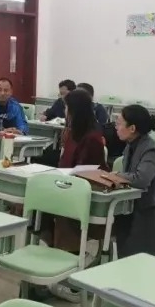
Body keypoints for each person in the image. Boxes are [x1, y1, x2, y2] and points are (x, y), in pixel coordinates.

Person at [42, 89, 107, 253]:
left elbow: (85, 171)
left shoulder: (92, 137)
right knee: (28, 200)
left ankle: (68, 251)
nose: (65, 111)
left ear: (74, 110)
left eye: (67, 107)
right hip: (67, 182)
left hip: (85, 188)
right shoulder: (71, 132)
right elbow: (64, 164)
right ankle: (52, 243)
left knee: (58, 206)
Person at [113, 104, 155, 257]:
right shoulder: (130, 146)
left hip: (145, 213)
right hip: (128, 206)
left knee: (141, 262)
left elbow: (141, 179)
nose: (116, 127)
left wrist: (116, 175)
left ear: (132, 128)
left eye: (119, 123)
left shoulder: (151, 149)